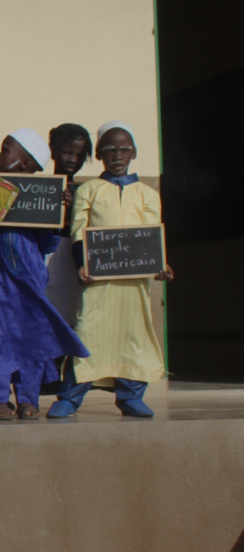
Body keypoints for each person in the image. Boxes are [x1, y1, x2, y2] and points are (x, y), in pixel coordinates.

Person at [48, 122, 174, 418]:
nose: (118, 155)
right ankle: (70, 397)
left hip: (134, 286)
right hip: (98, 283)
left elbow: (152, 234)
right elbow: (79, 231)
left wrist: (161, 262)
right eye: (109, 150)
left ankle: (130, 396)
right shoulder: (90, 190)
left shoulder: (147, 194)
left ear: (134, 152)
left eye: (124, 149)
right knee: (89, 334)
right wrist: (82, 265)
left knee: (134, 337)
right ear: (100, 155)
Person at [0, 129, 89, 420]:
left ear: (25, 164)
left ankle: (28, 398)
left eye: (6, 150)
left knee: (33, 337)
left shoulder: (43, 193)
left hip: (32, 280)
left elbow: (48, 244)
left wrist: (58, 215)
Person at [45, 123, 93, 325]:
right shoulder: (37, 190)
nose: (73, 159)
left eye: (80, 155)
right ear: (53, 150)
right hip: (44, 260)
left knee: (72, 321)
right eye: (66, 152)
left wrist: (76, 207)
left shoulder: (87, 192)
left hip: (73, 262)